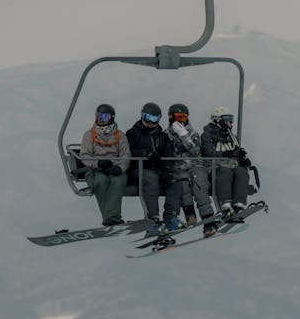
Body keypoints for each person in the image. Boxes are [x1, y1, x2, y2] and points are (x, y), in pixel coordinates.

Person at [126, 101, 181, 235]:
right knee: (150, 179)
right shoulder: (133, 133)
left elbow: (168, 155)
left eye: (155, 119)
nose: (151, 122)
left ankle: (170, 216)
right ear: (142, 116)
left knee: (175, 180)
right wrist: (144, 154)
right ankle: (153, 218)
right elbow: (128, 152)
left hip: (158, 170)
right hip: (138, 170)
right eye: (148, 118)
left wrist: (168, 171)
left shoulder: (162, 137)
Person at [164, 102, 218, 236]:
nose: (181, 121)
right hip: (178, 167)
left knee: (199, 185)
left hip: (196, 165)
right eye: (178, 118)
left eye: (183, 118)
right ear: (171, 118)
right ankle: (190, 215)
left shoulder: (192, 133)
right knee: (183, 184)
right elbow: (168, 152)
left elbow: (195, 151)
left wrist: (183, 135)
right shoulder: (166, 135)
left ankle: (208, 220)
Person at [79, 102, 130, 226]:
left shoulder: (120, 136)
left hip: (114, 169)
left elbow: (125, 156)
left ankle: (111, 218)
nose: (100, 120)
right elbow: (84, 156)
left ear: (111, 118)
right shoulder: (90, 135)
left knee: (118, 181)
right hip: (95, 170)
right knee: (100, 182)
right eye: (98, 116)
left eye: (104, 117)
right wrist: (98, 163)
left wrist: (119, 167)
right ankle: (112, 218)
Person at [201, 105, 252, 219]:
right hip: (215, 168)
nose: (230, 123)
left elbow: (236, 152)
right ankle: (225, 204)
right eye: (227, 120)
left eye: (231, 119)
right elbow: (208, 154)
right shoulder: (207, 135)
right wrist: (224, 154)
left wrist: (242, 159)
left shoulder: (231, 136)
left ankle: (239, 204)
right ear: (218, 120)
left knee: (242, 171)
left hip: (231, 166)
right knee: (225, 172)